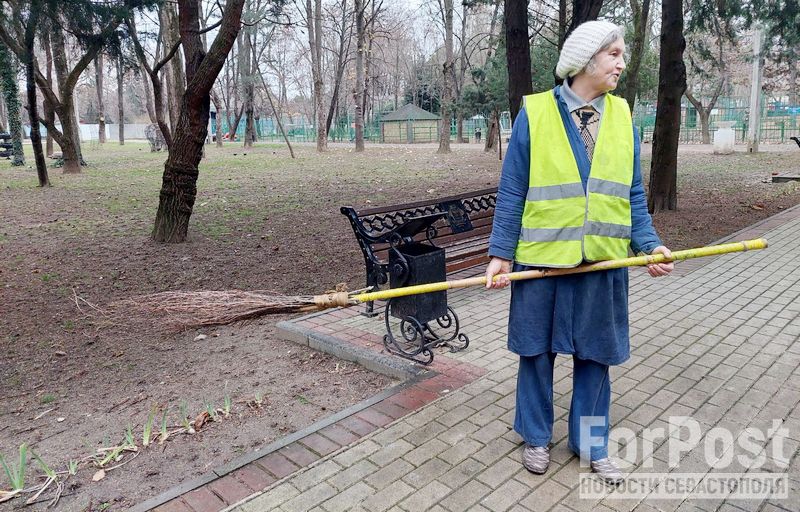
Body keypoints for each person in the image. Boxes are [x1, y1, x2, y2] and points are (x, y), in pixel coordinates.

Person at [484, 20, 673, 484]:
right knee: (536, 353)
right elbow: (512, 190)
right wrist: (501, 254)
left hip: (603, 262)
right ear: (587, 59)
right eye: (614, 54)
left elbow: (631, 193)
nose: (622, 64)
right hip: (542, 263)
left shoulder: (624, 116)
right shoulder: (534, 112)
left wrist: (649, 245)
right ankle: (534, 435)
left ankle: (590, 442)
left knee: (597, 357)